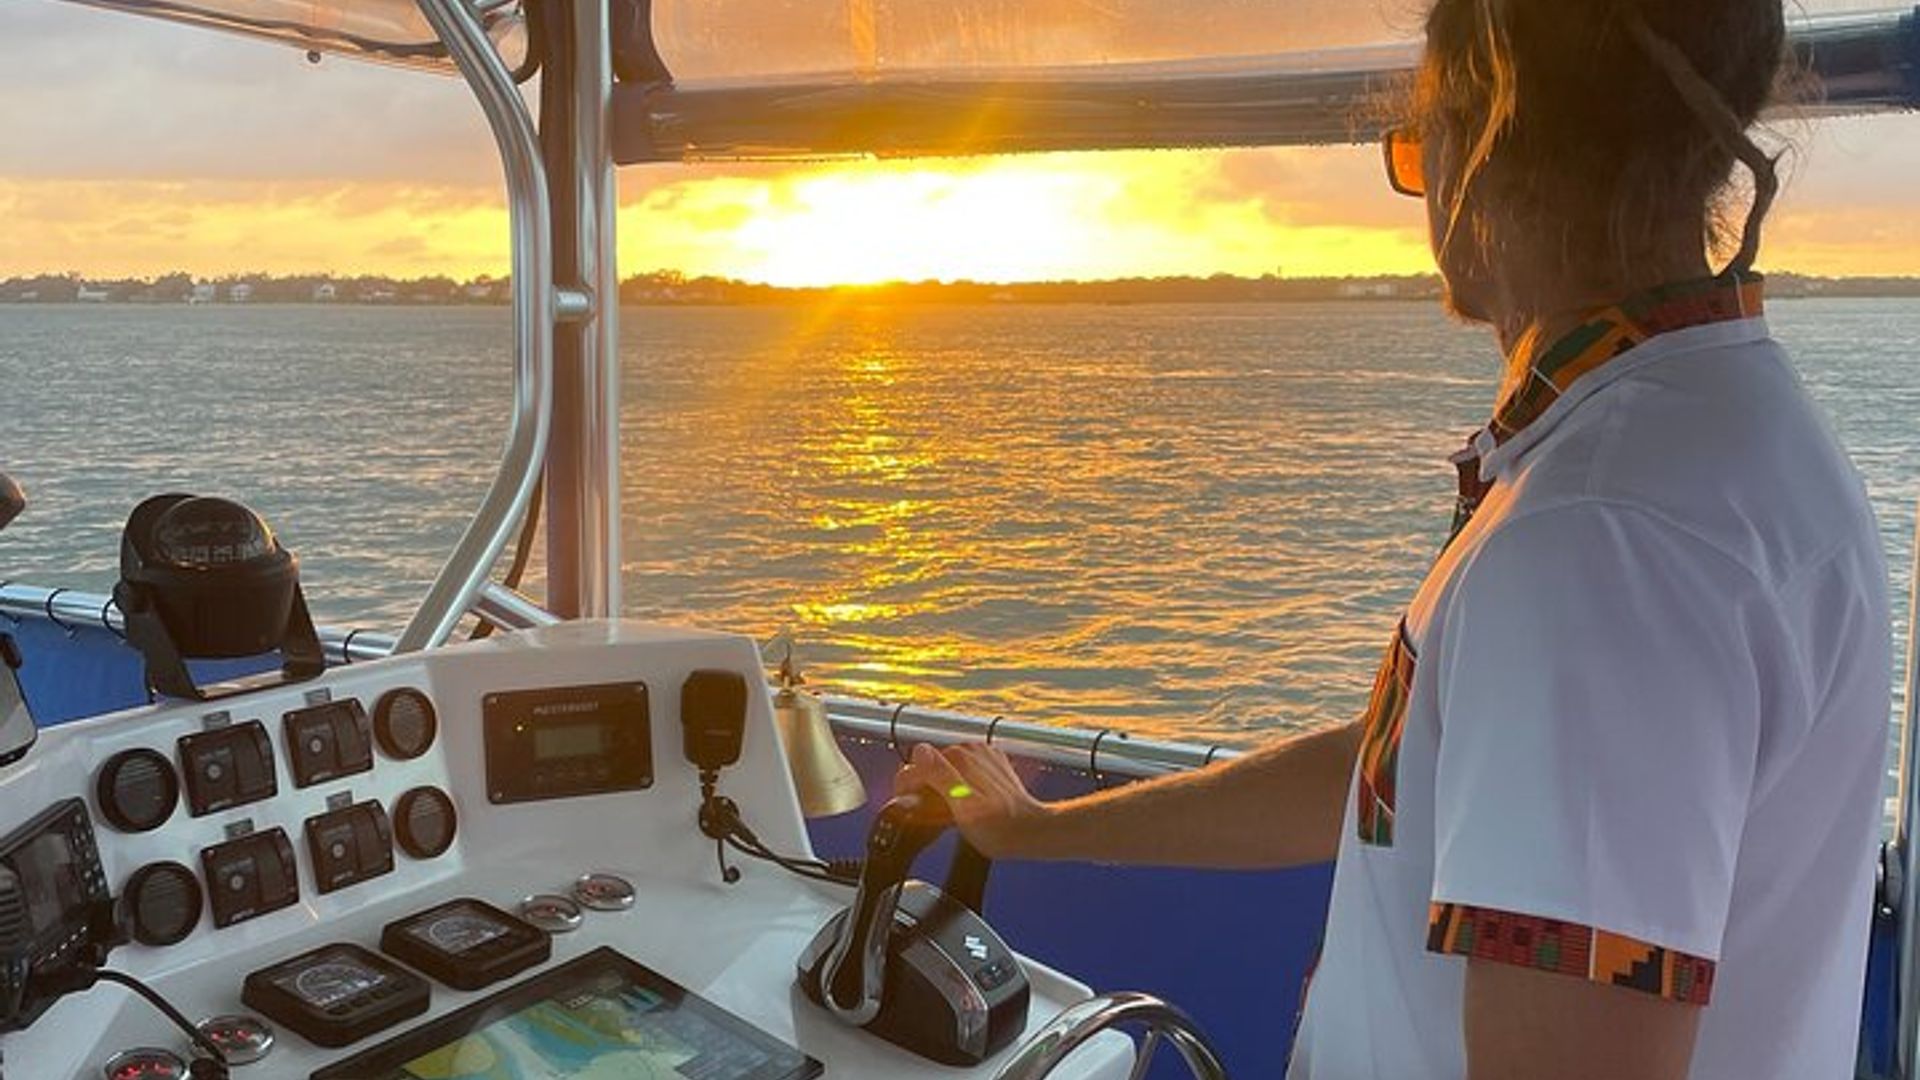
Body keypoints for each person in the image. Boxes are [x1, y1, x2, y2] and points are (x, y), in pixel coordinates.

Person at [898, 1, 1892, 1077]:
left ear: (1490, 127)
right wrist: (1039, 828)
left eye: (1418, 143)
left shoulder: (1600, 544)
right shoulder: (1718, 434)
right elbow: (1397, 776)